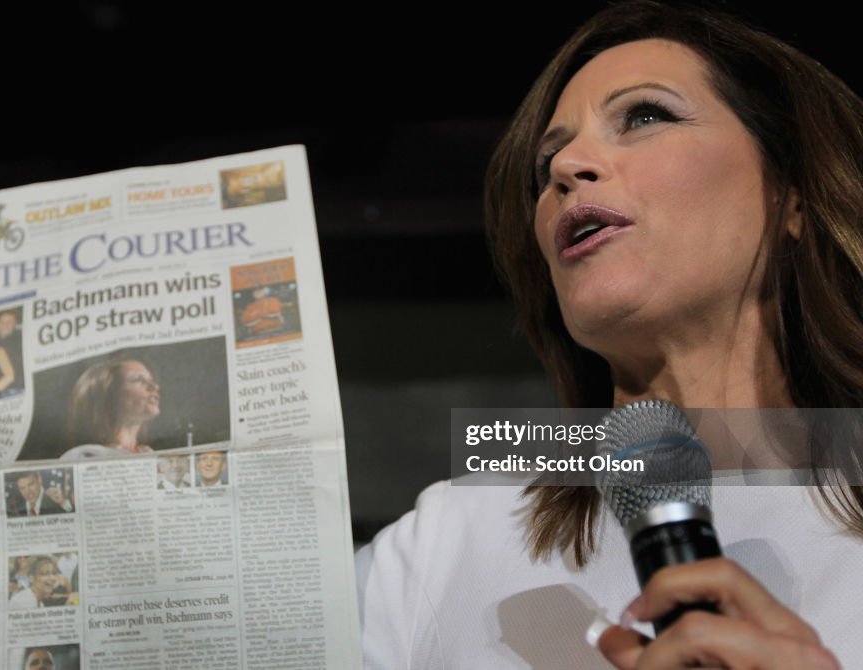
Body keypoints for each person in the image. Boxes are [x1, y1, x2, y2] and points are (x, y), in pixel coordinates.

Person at [357, 2, 861, 668]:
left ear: (791, 194)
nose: (569, 165)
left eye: (645, 116)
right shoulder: (444, 541)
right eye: (546, 165)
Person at [60, 358, 161, 459]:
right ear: (108, 395)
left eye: (151, 380)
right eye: (137, 380)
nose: (155, 387)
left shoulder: (148, 454)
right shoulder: (82, 456)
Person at [8, 555, 73, 609]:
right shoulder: (23, 602)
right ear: (31, 578)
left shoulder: (40, 603)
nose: (52, 578)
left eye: (54, 573)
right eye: (45, 574)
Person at [9, 471, 73, 517]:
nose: (28, 492)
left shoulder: (54, 499)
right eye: (22, 488)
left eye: (31, 484)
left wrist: (63, 502)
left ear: (39, 479)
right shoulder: (15, 506)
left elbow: (73, 513)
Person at [0, 309, 25, 394]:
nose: (6, 325)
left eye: (10, 322)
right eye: (3, 322)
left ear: (15, 323)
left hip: (17, 389)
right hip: (1, 390)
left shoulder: (20, 339)